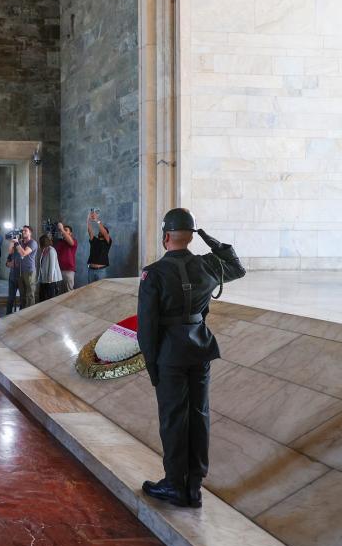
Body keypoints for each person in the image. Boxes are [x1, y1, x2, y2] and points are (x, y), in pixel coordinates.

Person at [138, 208, 247, 509]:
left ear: (165, 237)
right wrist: (210, 240)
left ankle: (175, 484)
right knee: (199, 415)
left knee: (174, 418)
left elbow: (146, 327)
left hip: (169, 356)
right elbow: (237, 267)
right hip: (200, 349)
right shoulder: (208, 265)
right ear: (191, 236)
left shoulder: (153, 273)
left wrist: (151, 366)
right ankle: (194, 487)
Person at [14, 226, 38, 309]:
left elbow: (24, 253)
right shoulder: (20, 242)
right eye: (22, 230)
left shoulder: (32, 243)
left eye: (25, 230)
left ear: (30, 233)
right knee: (22, 294)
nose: (23, 232)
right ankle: (22, 312)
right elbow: (10, 251)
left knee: (30, 294)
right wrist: (13, 241)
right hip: (20, 271)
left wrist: (17, 243)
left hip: (29, 271)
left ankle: (30, 313)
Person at [86, 209, 113, 282]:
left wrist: (96, 220)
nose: (100, 231)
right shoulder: (94, 240)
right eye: (99, 231)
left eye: (102, 231)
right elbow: (90, 231)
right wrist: (88, 219)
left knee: (101, 289)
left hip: (101, 271)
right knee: (90, 288)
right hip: (91, 270)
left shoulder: (107, 241)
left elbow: (104, 232)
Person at [37, 233, 64, 301]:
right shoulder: (44, 250)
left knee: (50, 298)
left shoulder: (51, 250)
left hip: (51, 280)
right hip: (44, 279)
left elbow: (52, 266)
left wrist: (50, 279)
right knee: (42, 298)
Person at [55, 221, 78, 292]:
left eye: (66, 230)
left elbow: (71, 243)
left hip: (68, 270)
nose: (63, 231)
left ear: (70, 233)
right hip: (59, 270)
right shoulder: (59, 242)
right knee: (60, 292)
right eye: (63, 230)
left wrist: (62, 229)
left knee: (69, 292)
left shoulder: (73, 241)